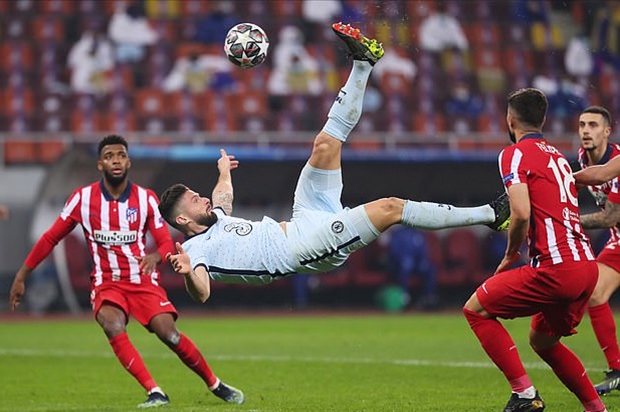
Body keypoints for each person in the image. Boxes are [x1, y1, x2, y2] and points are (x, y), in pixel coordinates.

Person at [159, 22, 510, 304]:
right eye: (193, 199)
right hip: (305, 250)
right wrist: (188, 271)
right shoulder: (194, 250)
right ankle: (489, 215)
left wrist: (223, 174)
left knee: (324, 145)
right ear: (182, 220)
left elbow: (221, 200)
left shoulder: (215, 218)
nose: (201, 198)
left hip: (302, 219)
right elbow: (202, 292)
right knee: (390, 207)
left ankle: (363, 63)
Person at [9, 135, 244, 408]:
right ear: (100, 164)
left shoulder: (146, 199)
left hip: (142, 281)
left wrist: (157, 255)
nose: (116, 160)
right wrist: (22, 275)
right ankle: (155, 391)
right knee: (112, 324)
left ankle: (215, 383)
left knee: (169, 333)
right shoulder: (82, 199)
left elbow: (165, 240)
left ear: (128, 161)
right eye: (109, 156)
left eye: (121, 155)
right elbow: (51, 237)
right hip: (106, 283)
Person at [463, 88, 607, 412]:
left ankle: (525, 395)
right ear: (543, 120)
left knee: (476, 310)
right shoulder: (558, 156)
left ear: (509, 119)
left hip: (557, 268)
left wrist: (511, 253)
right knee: (543, 340)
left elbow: (521, 212)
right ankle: (597, 409)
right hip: (587, 266)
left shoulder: (513, 154)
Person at [573, 106, 620, 395]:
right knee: (595, 294)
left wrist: (563, 220)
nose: (586, 130)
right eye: (581, 124)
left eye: (593, 125)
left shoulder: (616, 164)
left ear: (607, 131)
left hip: (616, 227)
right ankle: (617, 369)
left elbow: (610, 216)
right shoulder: (582, 158)